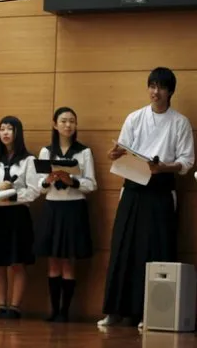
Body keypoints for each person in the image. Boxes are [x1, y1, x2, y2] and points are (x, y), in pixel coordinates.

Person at [98, 67, 194, 329]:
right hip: (133, 187)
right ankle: (115, 311)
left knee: (157, 249)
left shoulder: (180, 122)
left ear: (170, 91)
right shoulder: (135, 118)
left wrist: (163, 167)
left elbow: (187, 162)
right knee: (123, 247)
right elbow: (122, 149)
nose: (155, 91)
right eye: (152, 86)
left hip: (161, 189)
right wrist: (115, 155)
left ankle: (149, 313)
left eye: (161, 87)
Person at [34, 107, 96, 322]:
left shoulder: (83, 152)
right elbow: (38, 188)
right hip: (52, 206)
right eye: (63, 121)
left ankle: (65, 312)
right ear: (55, 124)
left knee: (69, 260)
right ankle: (53, 310)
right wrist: (47, 180)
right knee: (53, 261)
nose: (68, 125)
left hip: (74, 207)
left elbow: (91, 184)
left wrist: (73, 181)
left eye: (72, 121)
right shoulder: (46, 152)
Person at [0, 116, 38, 320]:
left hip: (17, 214)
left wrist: (12, 193)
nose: (5, 133)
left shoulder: (28, 160)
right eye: (1, 128)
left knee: (17, 262)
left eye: (9, 129)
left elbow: (34, 190)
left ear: (17, 132)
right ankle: (1, 305)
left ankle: (15, 307)